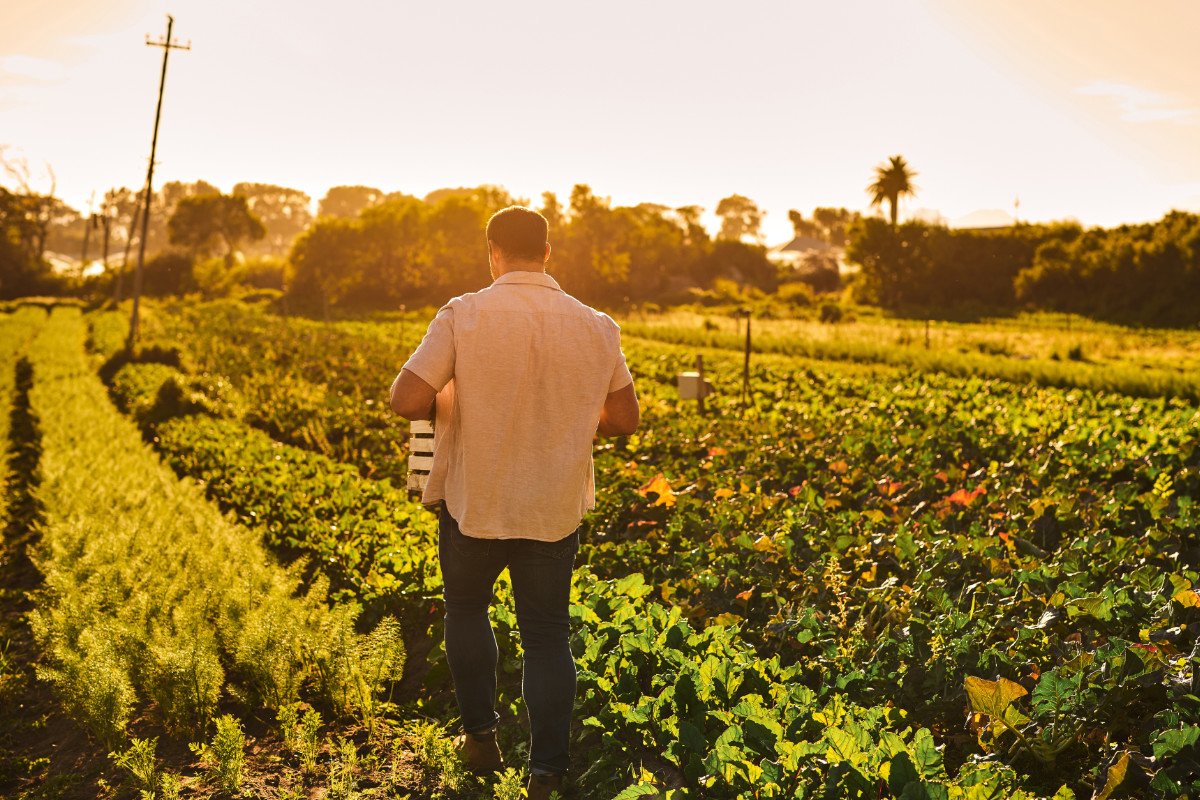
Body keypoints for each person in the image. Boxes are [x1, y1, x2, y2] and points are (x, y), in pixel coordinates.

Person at [389, 206, 640, 799]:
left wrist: (451, 401)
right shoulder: (596, 325)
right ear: (548, 253)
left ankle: (481, 739)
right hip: (552, 509)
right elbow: (625, 418)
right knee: (549, 637)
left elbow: (406, 399)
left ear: (493, 252)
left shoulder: (463, 314)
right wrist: (573, 416)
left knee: (467, 611)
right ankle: (547, 772)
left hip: (474, 502)